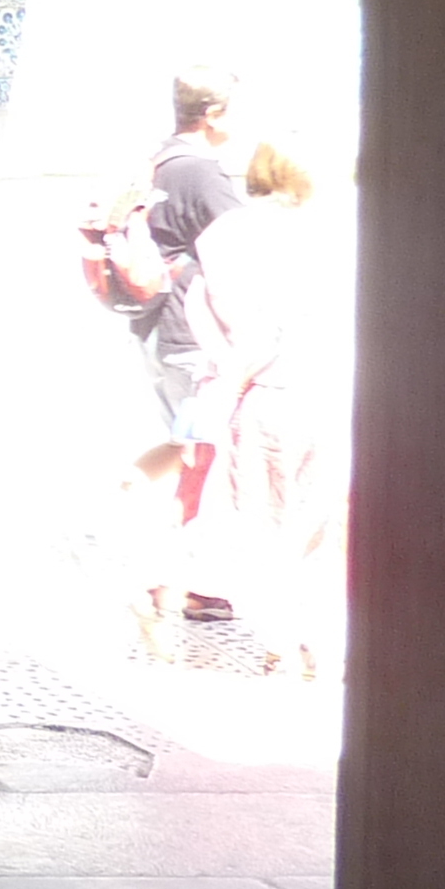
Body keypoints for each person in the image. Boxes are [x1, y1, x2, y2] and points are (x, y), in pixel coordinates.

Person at [196, 142, 354, 678]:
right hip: (330, 391)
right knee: (319, 525)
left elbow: (239, 326)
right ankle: (319, 640)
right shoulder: (332, 230)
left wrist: (225, 388)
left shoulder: (226, 236)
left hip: (266, 393)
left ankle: (281, 642)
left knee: (265, 524)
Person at [123, 66, 248, 646]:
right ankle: (169, 586)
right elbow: (248, 248)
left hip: (160, 330)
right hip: (191, 337)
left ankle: (175, 573)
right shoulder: (202, 172)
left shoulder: (163, 162)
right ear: (214, 114)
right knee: (200, 459)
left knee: (188, 450)